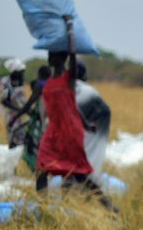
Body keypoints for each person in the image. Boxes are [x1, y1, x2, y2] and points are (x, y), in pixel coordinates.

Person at [36, 46, 115, 213]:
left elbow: (72, 55)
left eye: (53, 55)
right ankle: (42, 209)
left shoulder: (68, 79)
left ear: (62, 58)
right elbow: (70, 106)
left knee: (78, 173)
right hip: (53, 132)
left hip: (68, 133)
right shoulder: (51, 81)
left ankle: (109, 207)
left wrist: (69, 27)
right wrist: (86, 124)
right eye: (49, 55)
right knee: (41, 170)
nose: (50, 58)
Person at [8, 65, 51, 173]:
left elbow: (29, 104)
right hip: (52, 121)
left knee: (32, 145)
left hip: (40, 122)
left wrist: (15, 118)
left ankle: (39, 171)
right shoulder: (53, 84)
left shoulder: (40, 84)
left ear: (39, 75)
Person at [0, 58, 29, 148]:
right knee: (14, 132)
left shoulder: (20, 81)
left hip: (20, 112)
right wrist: (20, 110)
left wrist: (27, 108)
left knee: (22, 133)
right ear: (14, 72)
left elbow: (21, 97)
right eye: (21, 71)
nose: (22, 73)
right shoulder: (5, 82)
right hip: (10, 112)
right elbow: (4, 101)